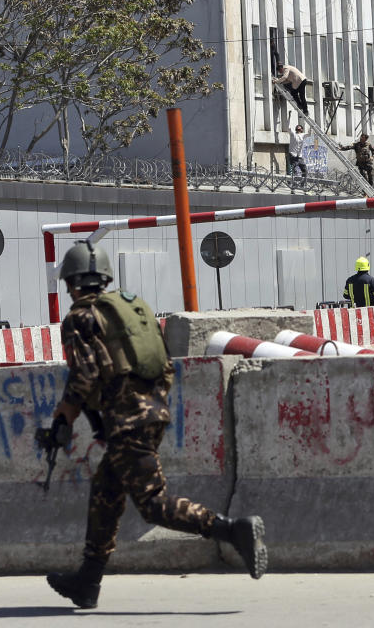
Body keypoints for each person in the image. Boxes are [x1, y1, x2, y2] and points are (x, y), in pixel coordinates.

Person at [46, 240, 267, 610]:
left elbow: (83, 376)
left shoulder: (80, 318)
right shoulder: (126, 312)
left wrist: (64, 417)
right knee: (106, 492)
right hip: (152, 411)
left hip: (128, 419)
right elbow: (161, 364)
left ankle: (232, 530)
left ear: (71, 281)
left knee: (152, 503)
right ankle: (88, 580)